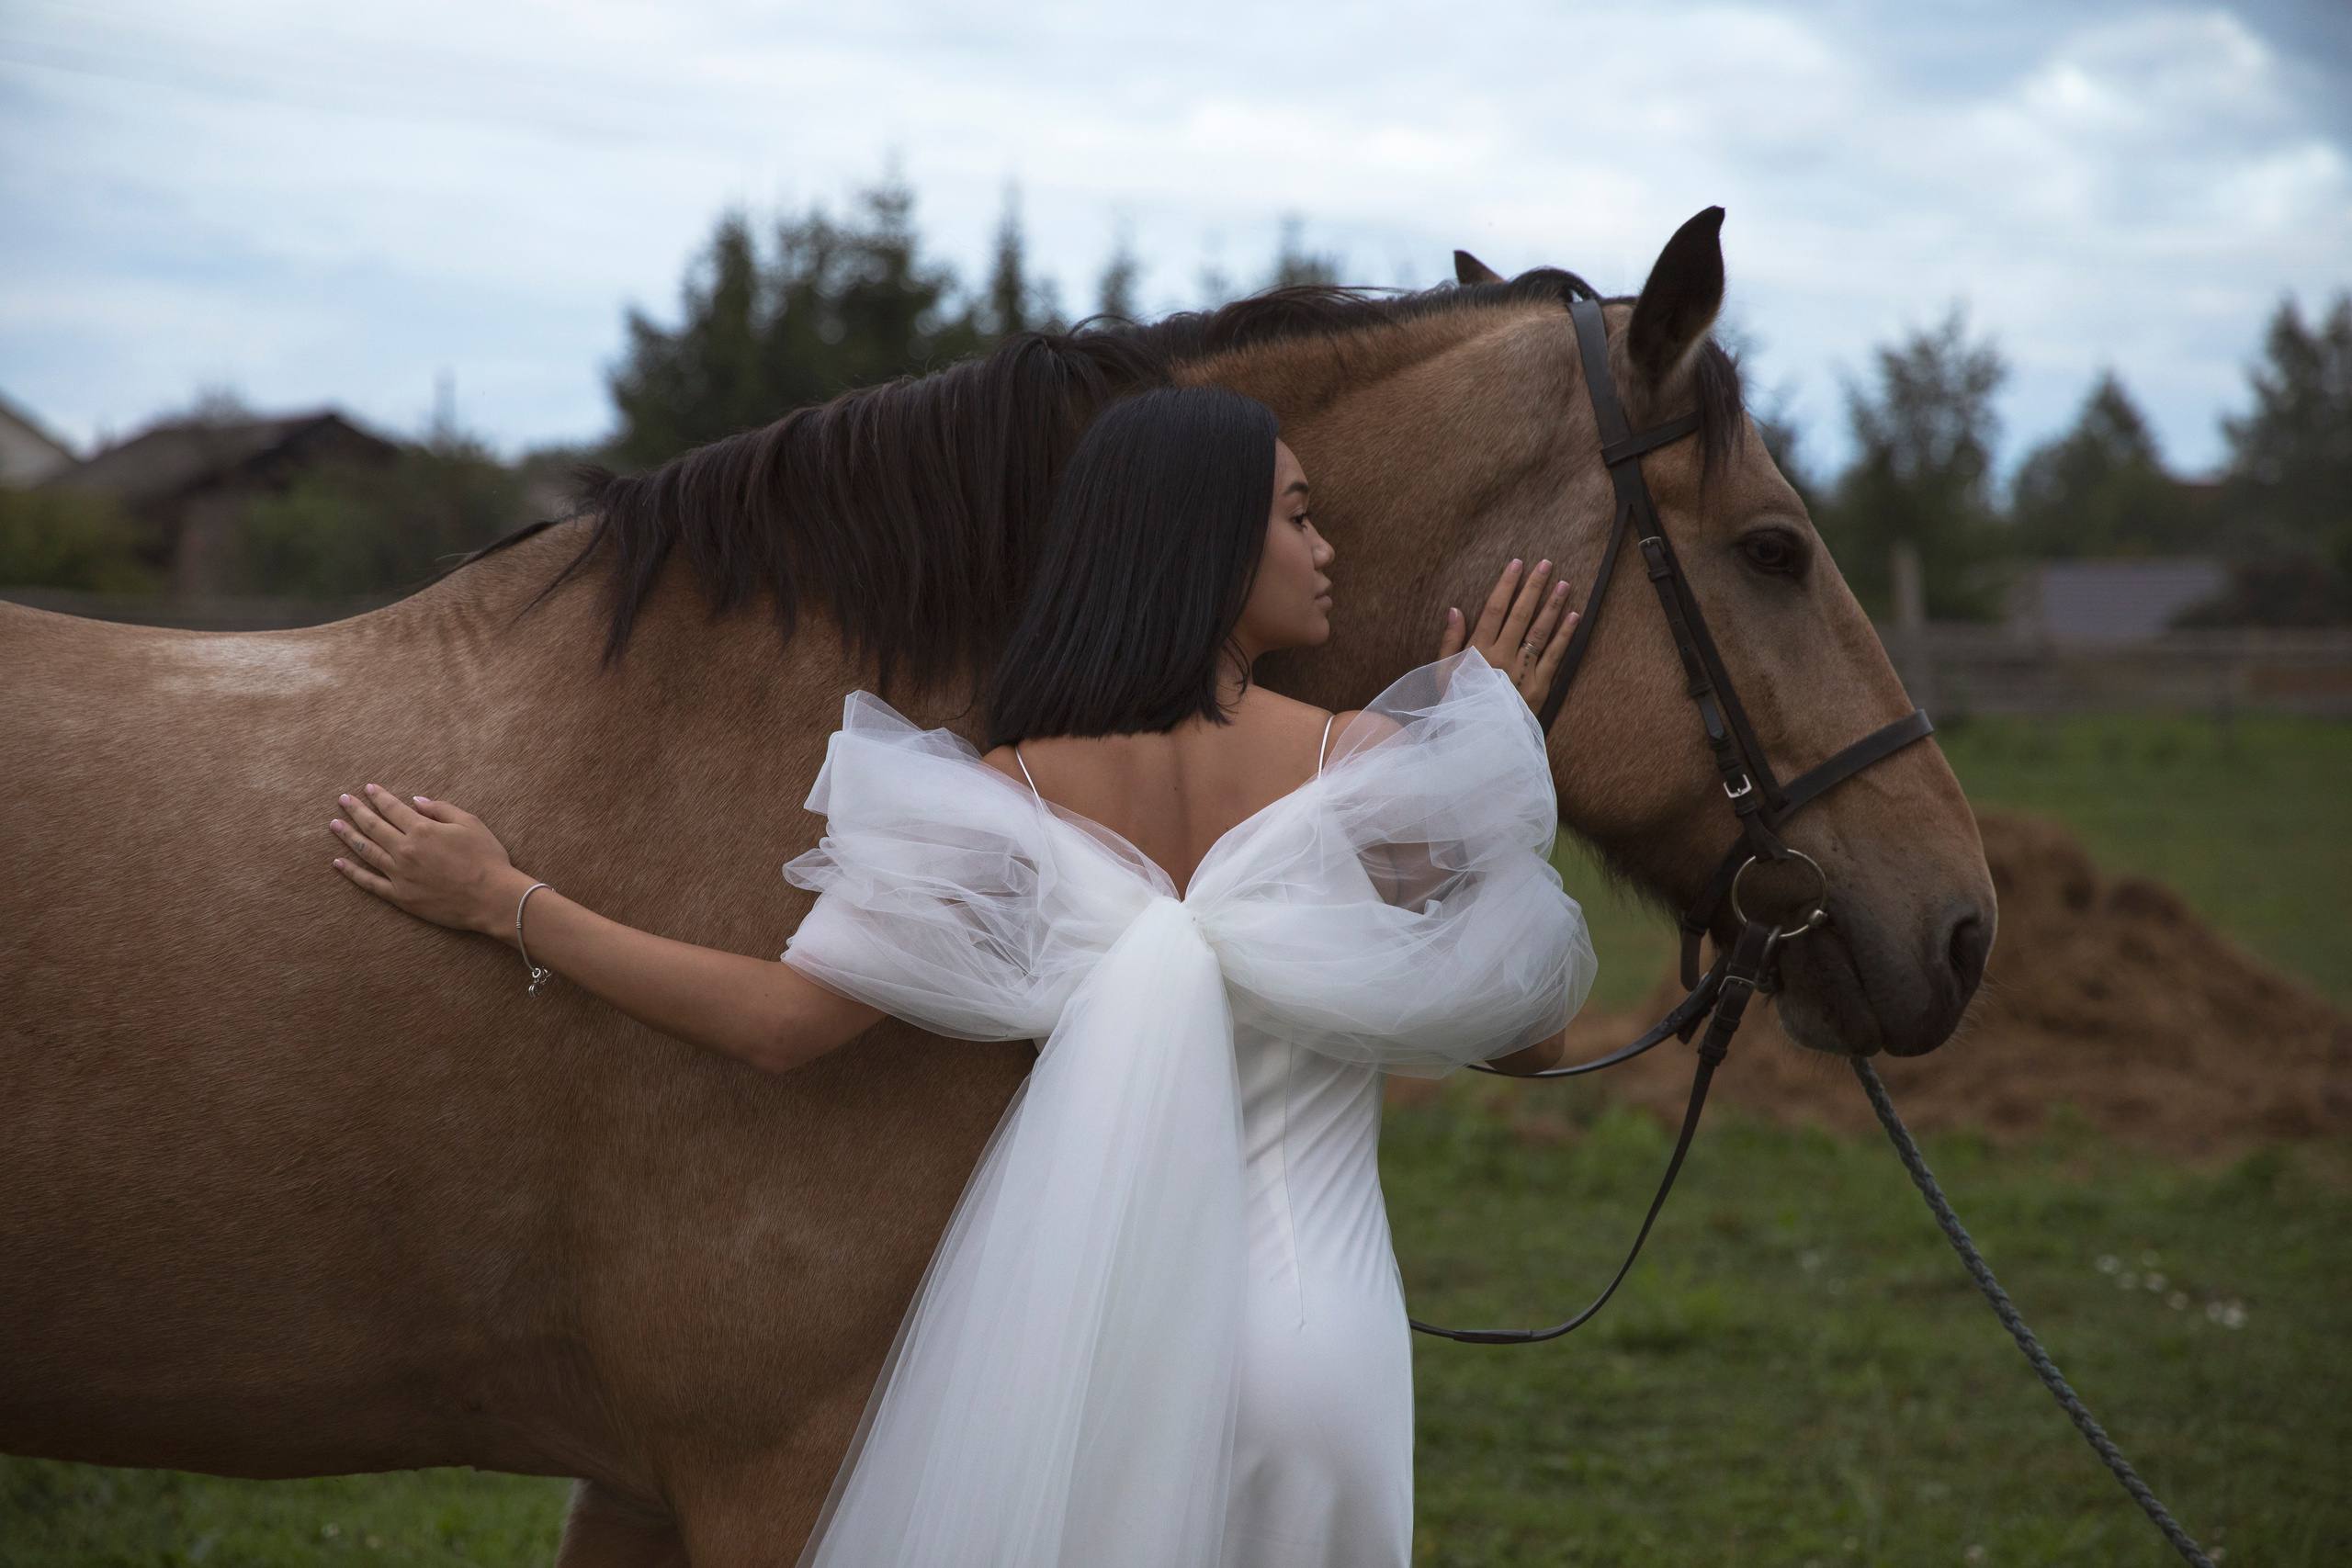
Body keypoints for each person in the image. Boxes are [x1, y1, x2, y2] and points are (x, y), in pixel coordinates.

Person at [327, 386, 1596, 1567]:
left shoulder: (1013, 799)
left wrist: (508, 901)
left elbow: (778, 1024)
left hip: (1085, 1346)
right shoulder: (1367, 772)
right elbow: (1530, 1040)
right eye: (1299, 517)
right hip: (1317, 1346)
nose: (1326, 553)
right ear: (1205, 543)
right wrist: (1477, 754)